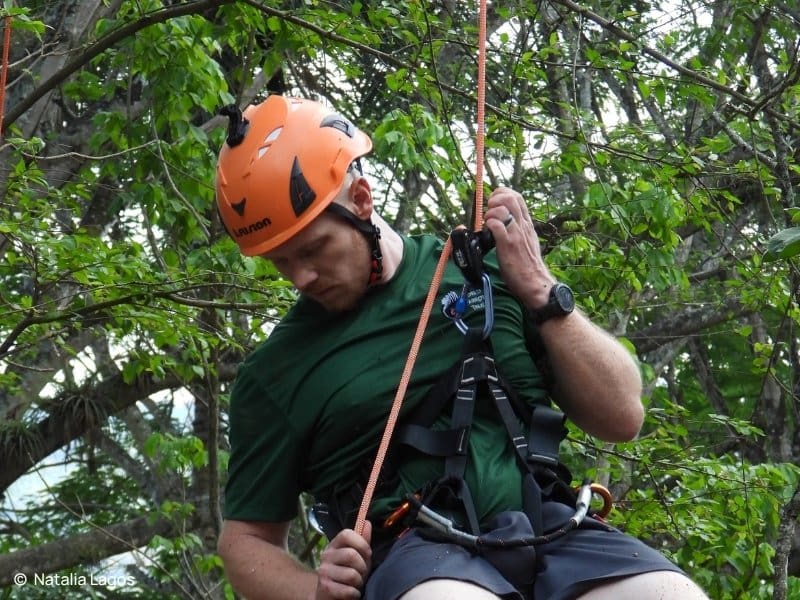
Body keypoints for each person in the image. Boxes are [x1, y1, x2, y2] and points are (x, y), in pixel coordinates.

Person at [214, 95, 708, 600]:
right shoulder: (276, 373)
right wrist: (316, 592)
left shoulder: (486, 272)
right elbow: (245, 542)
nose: (301, 276)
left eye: (314, 248)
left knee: (671, 593)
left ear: (361, 199)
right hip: (412, 555)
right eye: (280, 262)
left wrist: (540, 289)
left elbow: (623, 416)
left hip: (549, 528)